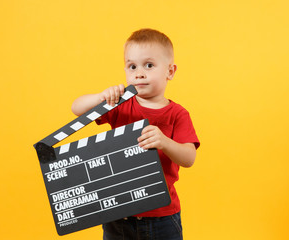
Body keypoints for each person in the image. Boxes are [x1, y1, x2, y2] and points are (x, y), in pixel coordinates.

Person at [71, 28, 200, 240]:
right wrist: (101, 98)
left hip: (162, 216)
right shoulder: (119, 106)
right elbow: (77, 108)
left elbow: (189, 158)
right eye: (132, 66)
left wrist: (165, 142)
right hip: (118, 214)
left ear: (170, 71)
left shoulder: (177, 113)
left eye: (149, 65)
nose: (139, 73)